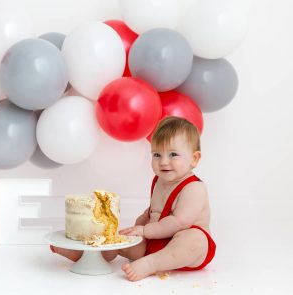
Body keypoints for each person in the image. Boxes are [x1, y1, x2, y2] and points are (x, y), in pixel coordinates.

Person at [50, 116, 216, 281]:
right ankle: (86, 255)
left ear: (194, 159)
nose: (164, 162)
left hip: (185, 249)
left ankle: (151, 264)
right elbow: (156, 210)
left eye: (173, 154)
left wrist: (145, 230)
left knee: (193, 240)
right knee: (122, 240)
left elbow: (179, 222)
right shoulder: (160, 181)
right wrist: (142, 222)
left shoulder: (194, 188)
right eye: (157, 154)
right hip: (156, 241)